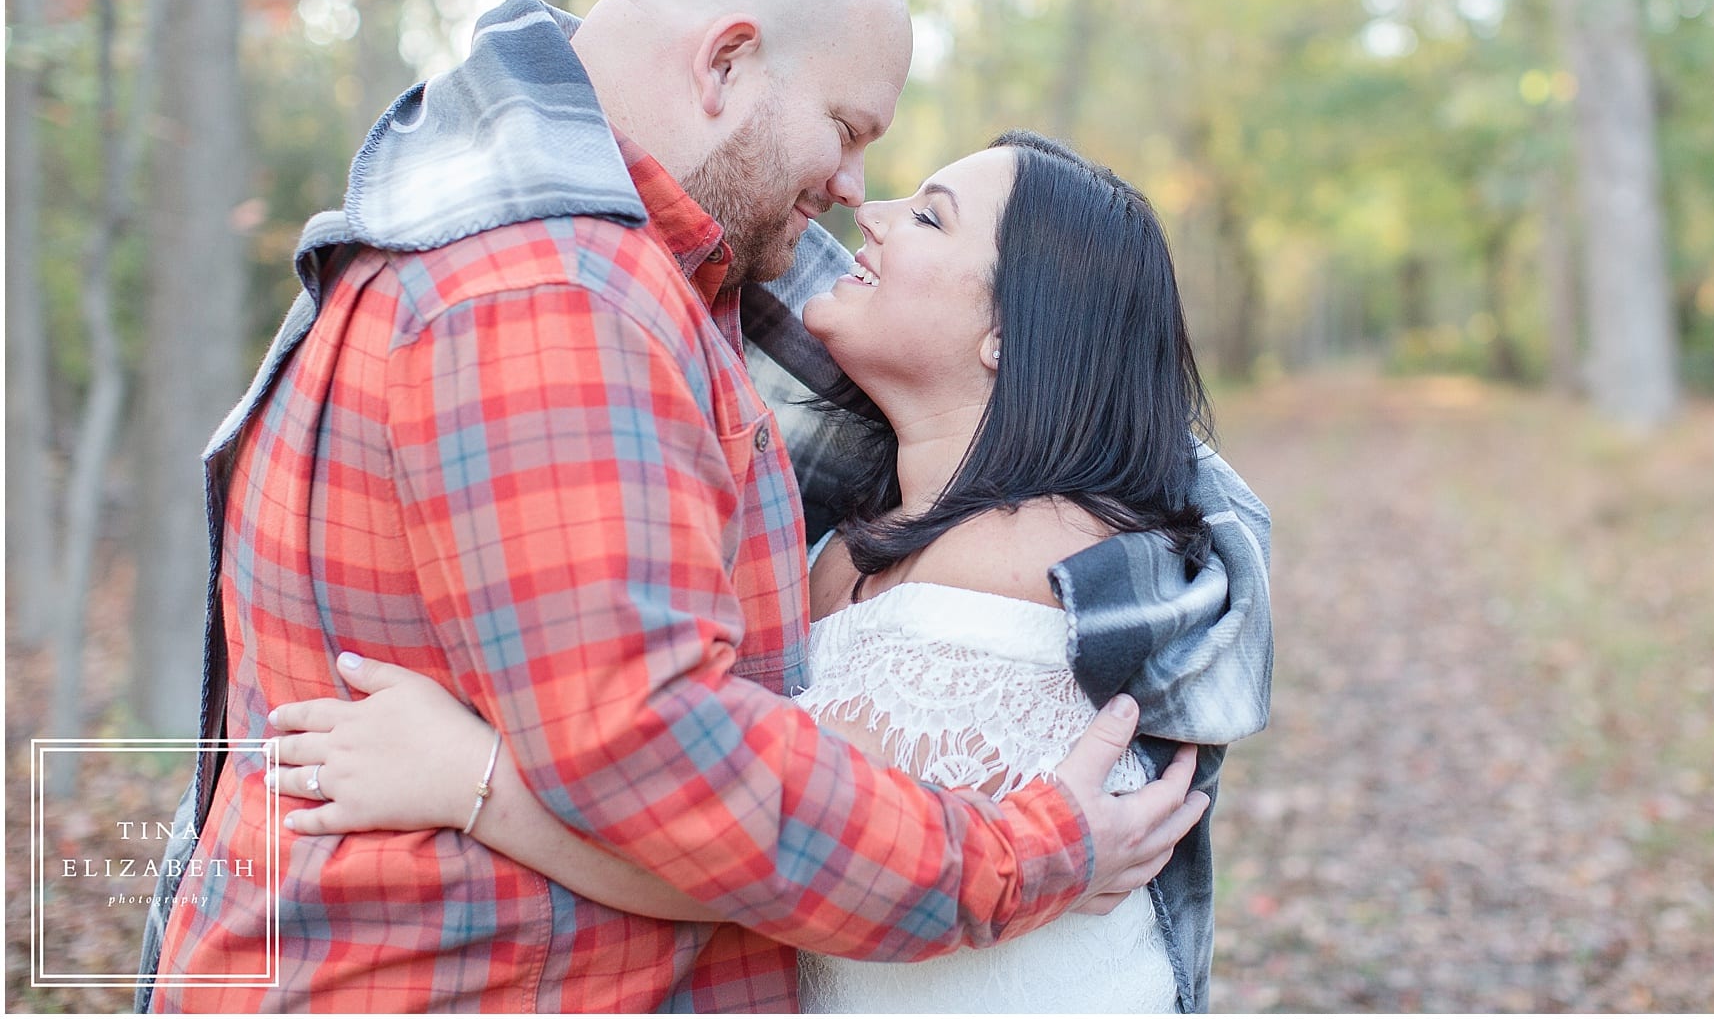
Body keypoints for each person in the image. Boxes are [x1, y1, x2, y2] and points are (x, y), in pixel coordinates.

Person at [136, 0, 1241, 1013]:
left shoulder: (646, 246)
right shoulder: (559, 290)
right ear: (724, 66)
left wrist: (1210, 558)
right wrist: (1025, 854)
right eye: (848, 129)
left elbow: (1061, 369)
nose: (857, 191)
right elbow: (653, 753)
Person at [263, 131, 1273, 1011]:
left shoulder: (1010, 569)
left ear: (1009, 332)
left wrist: (464, 776)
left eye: (927, 216)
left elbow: (740, 859)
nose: (870, 215)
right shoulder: (862, 534)